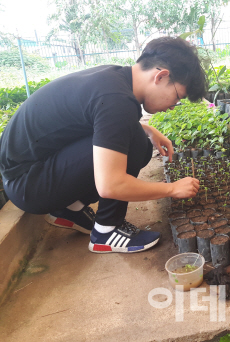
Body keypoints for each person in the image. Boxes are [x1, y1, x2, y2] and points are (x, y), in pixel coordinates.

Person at [0, 37, 205, 253]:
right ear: (161, 76)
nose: (173, 106)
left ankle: (68, 209)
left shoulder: (114, 78)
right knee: (135, 144)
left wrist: (147, 129)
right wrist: (172, 188)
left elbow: (95, 121)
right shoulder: (117, 100)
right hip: (28, 186)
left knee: (135, 136)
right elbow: (111, 185)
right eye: (177, 97)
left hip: (25, 174)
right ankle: (107, 231)